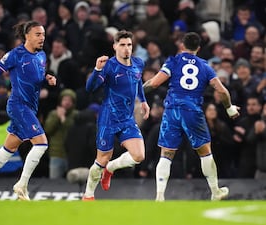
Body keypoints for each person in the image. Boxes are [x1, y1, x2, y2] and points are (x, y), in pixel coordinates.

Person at [143, 32, 240, 201]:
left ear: (182, 45)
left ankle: (159, 195)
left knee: (166, 153)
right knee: (205, 152)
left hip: (172, 109)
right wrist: (229, 108)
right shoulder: (205, 66)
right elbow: (222, 91)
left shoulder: (173, 61)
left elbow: (154, 83)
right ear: (199, 48)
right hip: (192, 110)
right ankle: (215, 191)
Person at [0, 20, 56, 200]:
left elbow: (36, 79)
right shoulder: (15, 55)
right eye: (38, 34)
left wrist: (46, 78)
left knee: (9, 147)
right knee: (41, 143)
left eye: (43, 34)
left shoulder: (41, 56)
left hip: (30, 108)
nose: (42, 38)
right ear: (27, 36)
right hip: (18, 105)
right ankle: (21, 185)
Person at [82, 30, 150, 200]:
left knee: (139, 155)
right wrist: (97, 69)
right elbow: (90, 88)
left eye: (129, 45)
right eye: (122, 45)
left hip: (127, 119)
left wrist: (143, 100)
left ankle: (110, 169)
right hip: (108, 119)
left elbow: (137, 82)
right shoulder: (109, 66)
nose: (126, 49)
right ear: (115, 47)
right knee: (101, 159)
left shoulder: (138, 63)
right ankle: (88, 195)